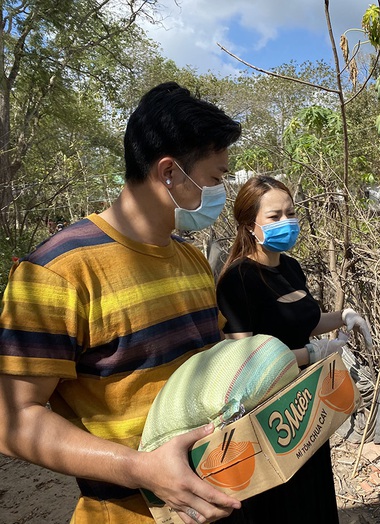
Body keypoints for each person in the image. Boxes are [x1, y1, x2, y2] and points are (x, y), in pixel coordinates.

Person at [0, 82, 243, 524]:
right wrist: (140, 468)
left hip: (217, 498)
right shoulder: (56, 272)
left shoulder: (190, 258)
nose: (218, 193)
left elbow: (215, 363)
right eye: (215, 178)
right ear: (169, 172)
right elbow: (13, 422)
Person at [215, 175, 373, 523]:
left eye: (290, 212)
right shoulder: (237, 280)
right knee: (281, 505)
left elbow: (304, 323)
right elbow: (246, 362)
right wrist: (312, 355)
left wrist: (344, 318)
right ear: (248, 224)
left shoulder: (290, 267)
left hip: (308, 402)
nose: (286, 222)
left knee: (312, 493)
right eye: (274, 217)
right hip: (270, 412)